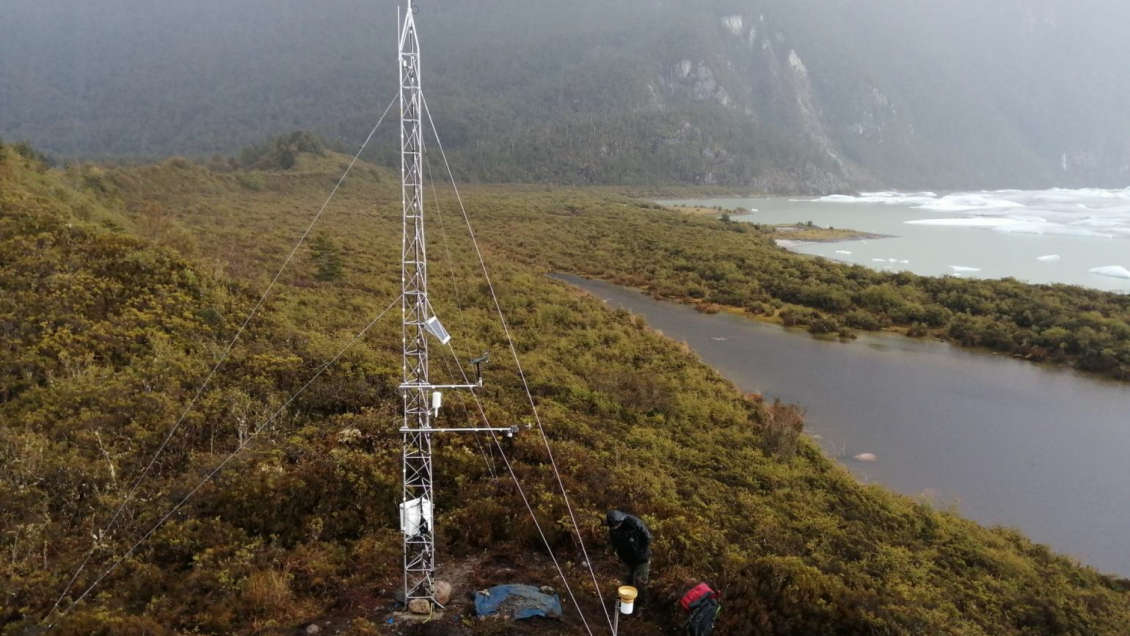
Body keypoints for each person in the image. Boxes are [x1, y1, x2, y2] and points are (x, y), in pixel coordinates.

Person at [606, 510, 652, 608]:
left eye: (615, 526)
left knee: (640, 582)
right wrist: (616, 552)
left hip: (641, 559)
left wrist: (640, 551)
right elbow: (614, 542)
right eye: (612, 527)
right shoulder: (613, 528)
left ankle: (642, 606)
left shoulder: (634, 522)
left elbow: (647, 537)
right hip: (627, 559)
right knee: (627, 582)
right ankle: (626, 604)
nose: (614, 528)